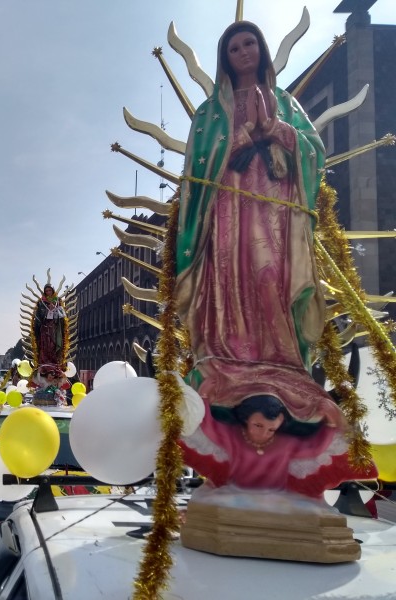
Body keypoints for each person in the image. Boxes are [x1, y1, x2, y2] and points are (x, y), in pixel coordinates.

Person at [176, 21, 375, 495]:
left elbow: (314, 152)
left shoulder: (287, 103)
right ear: (225, 57)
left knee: (269, 277)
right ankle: (228, 354)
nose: (243, 51)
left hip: (273, 212)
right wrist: (235, 142)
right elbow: (195, 167)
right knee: (229, 275)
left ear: (261, 51)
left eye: (250, 44)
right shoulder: (209, 111)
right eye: (234, 46)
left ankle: (278, 360)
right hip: (226, 211)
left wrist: (283, 133)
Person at [33, 284, 67, 367]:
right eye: (46, 291)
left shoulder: (57, 301)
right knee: (45, 345)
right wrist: (47, 311)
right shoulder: (41, 302)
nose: (48, 292)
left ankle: (54, 361)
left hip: (55, 327)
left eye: (50, 290)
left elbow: (62, 316)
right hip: (44, 327)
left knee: (54, 344)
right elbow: (38, 316)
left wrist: (55, 310)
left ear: (53, 291)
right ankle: (44, 362)